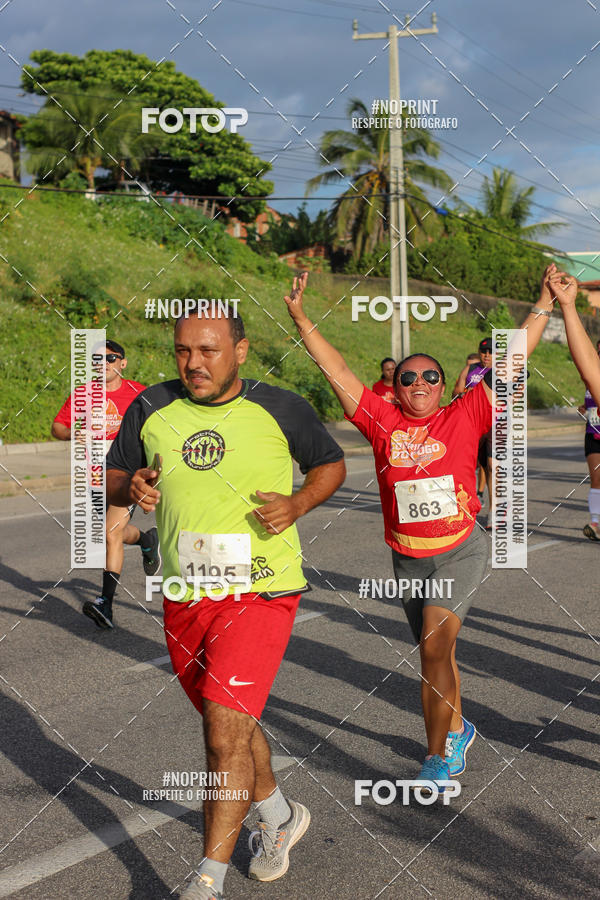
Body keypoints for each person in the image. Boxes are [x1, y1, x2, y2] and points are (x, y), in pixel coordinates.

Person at [105, 305, 345, 899]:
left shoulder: (281, 406)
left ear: (240, 350)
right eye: (184, 351)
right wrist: (130, 485)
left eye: (209, 351)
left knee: (220, 734)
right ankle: (281, 816)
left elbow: (331, 464)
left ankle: (206, 879)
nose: (194, 364)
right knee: (228, 720)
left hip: (261, 589)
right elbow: (112, 475)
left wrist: (297, 503)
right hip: (185, 594)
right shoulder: (151, 406)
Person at [283, 269, 554, 792]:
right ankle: (457, 728)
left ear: (444, 383)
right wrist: (301, 319)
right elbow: (334, 366)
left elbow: (515, 357)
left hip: (460, 550)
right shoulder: (380, 421)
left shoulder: (468, 411)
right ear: (396, 387)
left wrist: (543, 300)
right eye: (408, 378)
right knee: (438, 654)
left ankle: (434, 758)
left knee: (432, 646)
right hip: (406, 559)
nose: (421, 385)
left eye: (431, 377)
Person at [52, 339, 160, 629]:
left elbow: (161, 426)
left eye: (110, 358)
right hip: (96, 477)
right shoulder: (83, 394)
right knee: (115, 532)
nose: (104, 364)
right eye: (97, 360)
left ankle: (106, 604)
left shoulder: (140, 393)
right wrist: (76, 433)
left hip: (127, 475)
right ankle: (147, 540)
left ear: (123, 363)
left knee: (111, 534)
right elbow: (57, 427)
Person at [547, 272, 600, 539]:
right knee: (597, 481)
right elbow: (590, 370)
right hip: (594, 433)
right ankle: (596, 523)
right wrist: (567, 306)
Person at [453, 340, 494, 514]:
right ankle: (468, 503)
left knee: (492, 466)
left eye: (491, 352)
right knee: (468, 465)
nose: (486, 355)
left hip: (494, 424)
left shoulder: (502, 371)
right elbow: (456, 392)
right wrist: (466, 394)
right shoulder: (470, 369)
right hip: (471, 425)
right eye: (483, 351)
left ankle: (494, 511)